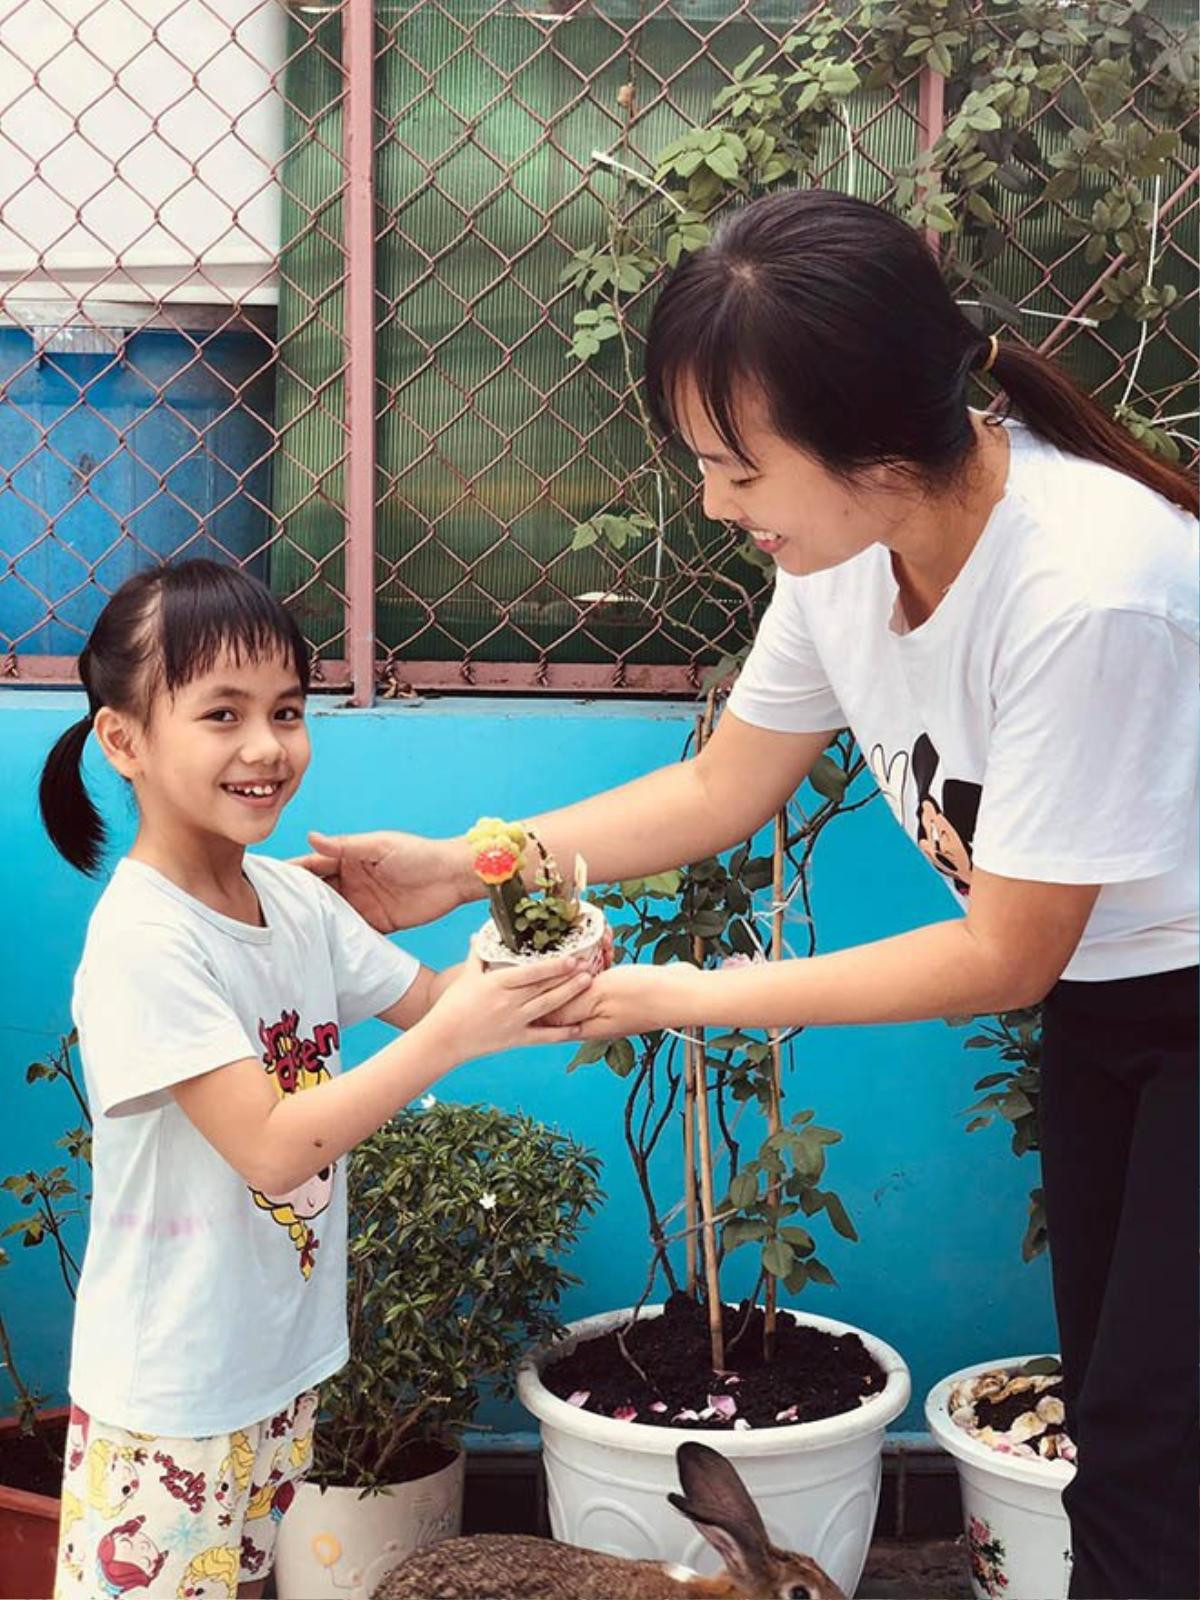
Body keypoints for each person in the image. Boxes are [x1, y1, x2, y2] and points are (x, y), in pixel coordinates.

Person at [303, 191, 1198, 1600]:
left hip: (1163, 992)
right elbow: (724, 786)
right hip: (1113, 1005)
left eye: (736, 469)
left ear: (876, 446)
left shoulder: (1090, 591)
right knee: (1130, 1413)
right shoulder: (851, 558)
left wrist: (684, 996)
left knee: (1154, 1447)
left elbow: (1010, 950)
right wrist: (464, 861)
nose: (715, 506)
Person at [38, 560, 592, 1600]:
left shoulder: (291, 900)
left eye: (287, 709)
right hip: (172, 1387)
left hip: (274, 1358)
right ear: (124, 740)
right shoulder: (144, 938)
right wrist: (457, 1030)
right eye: (221, 713)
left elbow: (435, 1000)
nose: (266, 746)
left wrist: (543, 945)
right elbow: (273, 1140)